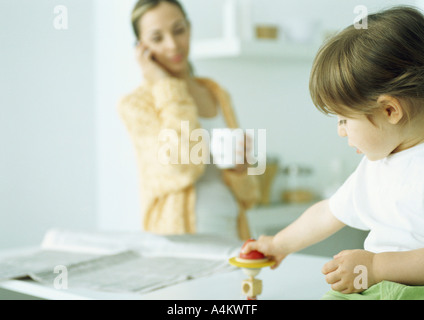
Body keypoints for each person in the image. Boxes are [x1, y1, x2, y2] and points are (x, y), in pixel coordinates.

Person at [243, 6, 424, 299]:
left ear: (390, 110)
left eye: (343, 119)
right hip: (372, 288)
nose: (341, 131)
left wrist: (377, 265)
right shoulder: (375, 166)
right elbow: (329, 212)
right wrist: (278, 244)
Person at [118, 0, 260, 240]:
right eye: (157, 38)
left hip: (233, 235)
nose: (173, 45)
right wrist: (167, 86)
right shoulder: (135, 105)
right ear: (141, 48)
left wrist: (242, 170)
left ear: (189, 28)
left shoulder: (216, 93)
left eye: (178, 30)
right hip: (179, 242)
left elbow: (250, 196)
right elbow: (182, 165)